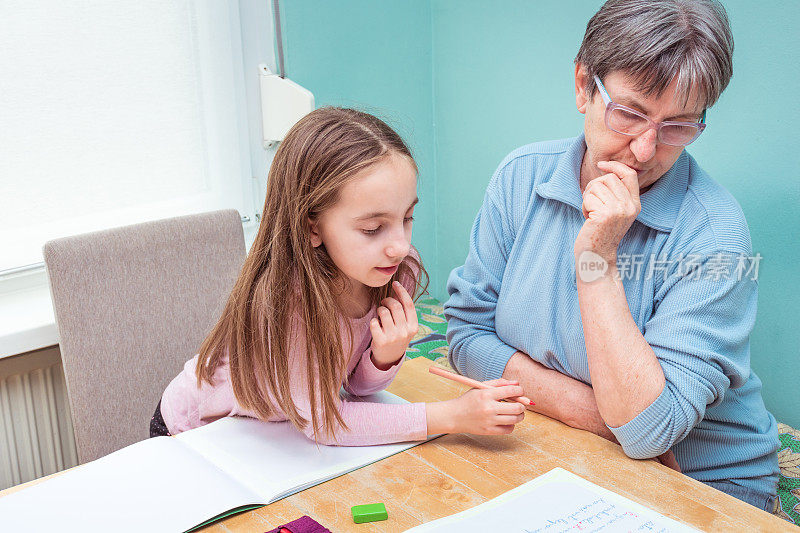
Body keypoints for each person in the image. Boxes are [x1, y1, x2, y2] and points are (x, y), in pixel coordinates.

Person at [444, 0, 779, 512]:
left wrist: (597, 262)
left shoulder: (715, 234)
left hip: (700, 485)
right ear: (583, 85)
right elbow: (466, 335)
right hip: (568, 445)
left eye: (678, 127)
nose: (645, 150)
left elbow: (646, 431)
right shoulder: (521, 177)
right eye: (630, 113)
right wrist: (596, 416)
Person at [150, 107, 526, 445]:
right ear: (312, 226)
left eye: (407, 218)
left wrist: (384, 357)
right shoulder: (288, 302)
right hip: (197, 433)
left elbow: (350, 387)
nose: (398, 245)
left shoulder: (395, 270)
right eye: (373, 228)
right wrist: (452, 415)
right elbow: (325, 422)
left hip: (272, 432)